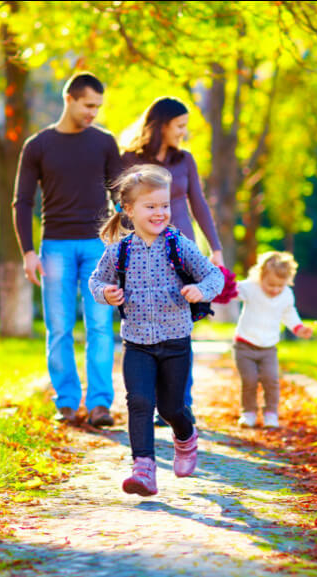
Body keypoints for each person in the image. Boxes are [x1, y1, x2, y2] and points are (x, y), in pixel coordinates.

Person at [89, 165, 224, 496]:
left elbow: (214, 276)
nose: (160, 212)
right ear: (129, 210)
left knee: (171, 408)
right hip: (137, 343)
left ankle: (185, 435)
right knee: (138, 401)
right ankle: (144, 468)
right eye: (151, 206)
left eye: (164, 205)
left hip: (175, 341)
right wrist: (106, 293)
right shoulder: (118, 251)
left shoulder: (179, 245)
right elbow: (96, 280)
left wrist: (201, 291)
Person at [12, 72, 121, 428]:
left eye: (98, 107)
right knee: (58, 327)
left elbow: (119, 195)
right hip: (54, 247)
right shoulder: (38, 145)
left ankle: (101, 404)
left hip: (98, 248)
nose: (94, 113)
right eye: (89, 105)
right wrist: (28, 251)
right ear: (70, 99)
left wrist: (122, 242)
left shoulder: (104, 143)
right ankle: (68, 402)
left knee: (101, 326)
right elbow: (23, 201)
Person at [120, 97, 225, 425]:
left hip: (183, 254)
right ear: (161, 124)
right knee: (147, 330)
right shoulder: (131, 160)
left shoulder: (185, 160)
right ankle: (151, 403)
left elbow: (199, 203)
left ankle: (180, 405)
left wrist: (215, 248)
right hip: (144, 254)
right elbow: (121, 207)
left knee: (180, 331)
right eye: (179, 125)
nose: (184, 132)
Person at [232, 251, 314, 429]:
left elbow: (290, 314)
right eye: (270, 284)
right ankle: (249, 412)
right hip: (244, 345)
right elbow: (231, 291)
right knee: (250, 380)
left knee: (271, 380)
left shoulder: (286, 295)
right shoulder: (250, 288)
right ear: (260, 276)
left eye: (280, 285)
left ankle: (271, 413)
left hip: (268, 348)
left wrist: (299, 328)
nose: (275, 289)